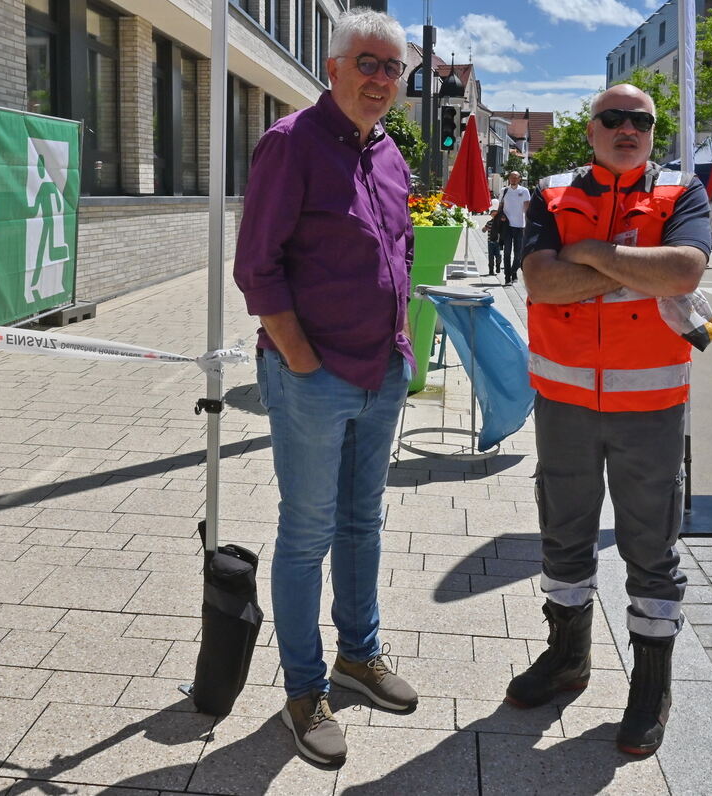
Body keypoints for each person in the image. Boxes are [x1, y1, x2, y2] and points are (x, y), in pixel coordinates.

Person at [232, 8, 418, 767]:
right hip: (314, 376)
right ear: (334, 67)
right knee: (307, 535)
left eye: (391, 69)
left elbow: (398, 248)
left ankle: (358, 657)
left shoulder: (390, 154)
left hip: (384, 370)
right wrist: (302, 360)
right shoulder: (289, 144)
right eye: (366, 64)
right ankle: (304, 690)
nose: (379, 80)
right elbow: (257, 267)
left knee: (362, 523)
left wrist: (401, 343)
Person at [512, 84, 710, 757]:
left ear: (653, 132)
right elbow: (540, 283)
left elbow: (684, 271)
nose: (627, 128)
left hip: (651, 407)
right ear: (591, 130)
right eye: (612, 118)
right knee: (564, 536)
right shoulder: (551, 192)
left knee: (651, 550)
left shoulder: (684, 192)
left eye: (641, 120)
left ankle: (651, 686)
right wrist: (632, 266)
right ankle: (568, 659)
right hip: (565, 400)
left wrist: (590, 252)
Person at [499, 171, 532, 284]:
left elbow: (527, 209)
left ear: (519, 179)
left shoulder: (524, 191)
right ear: (509, 178)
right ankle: (507, 277)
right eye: (511, 177)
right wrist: (501, 216)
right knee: (507, 252)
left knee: (518, 254)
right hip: (507, 226)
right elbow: (500, 207)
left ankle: (514, 271)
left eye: (515, 178)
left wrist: (529, 226)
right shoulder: (504, 191)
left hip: (520, 226)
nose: (513, 179)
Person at [483, 209, 503, 276]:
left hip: (498, 243)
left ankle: (498, 265)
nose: (494, 216)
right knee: (490, 257)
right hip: (490, 242)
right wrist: (485, 229)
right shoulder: (489, 223)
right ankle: (491, 270)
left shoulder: (500, 223)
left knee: (498, 256)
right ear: (491, 215)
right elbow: (483, 230)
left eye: (496, 215)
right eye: (493, 214)